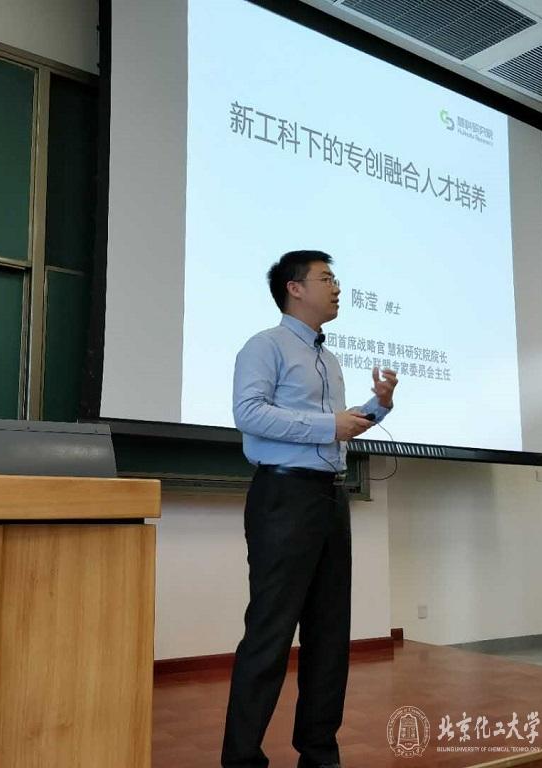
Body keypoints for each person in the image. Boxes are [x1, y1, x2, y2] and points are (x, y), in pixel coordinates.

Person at [221, 250, 398, 768]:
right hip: (283, 498)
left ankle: (320, 753)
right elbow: (248, 414)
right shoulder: (265, 346)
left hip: (330, 496)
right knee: (270, 632)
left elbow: (337, 423)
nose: (337, 287)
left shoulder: (330, 359)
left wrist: (379, 406)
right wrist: (329, 425)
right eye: (326, 278)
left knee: (329, 633)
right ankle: (241, 760)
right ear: (294, 288)